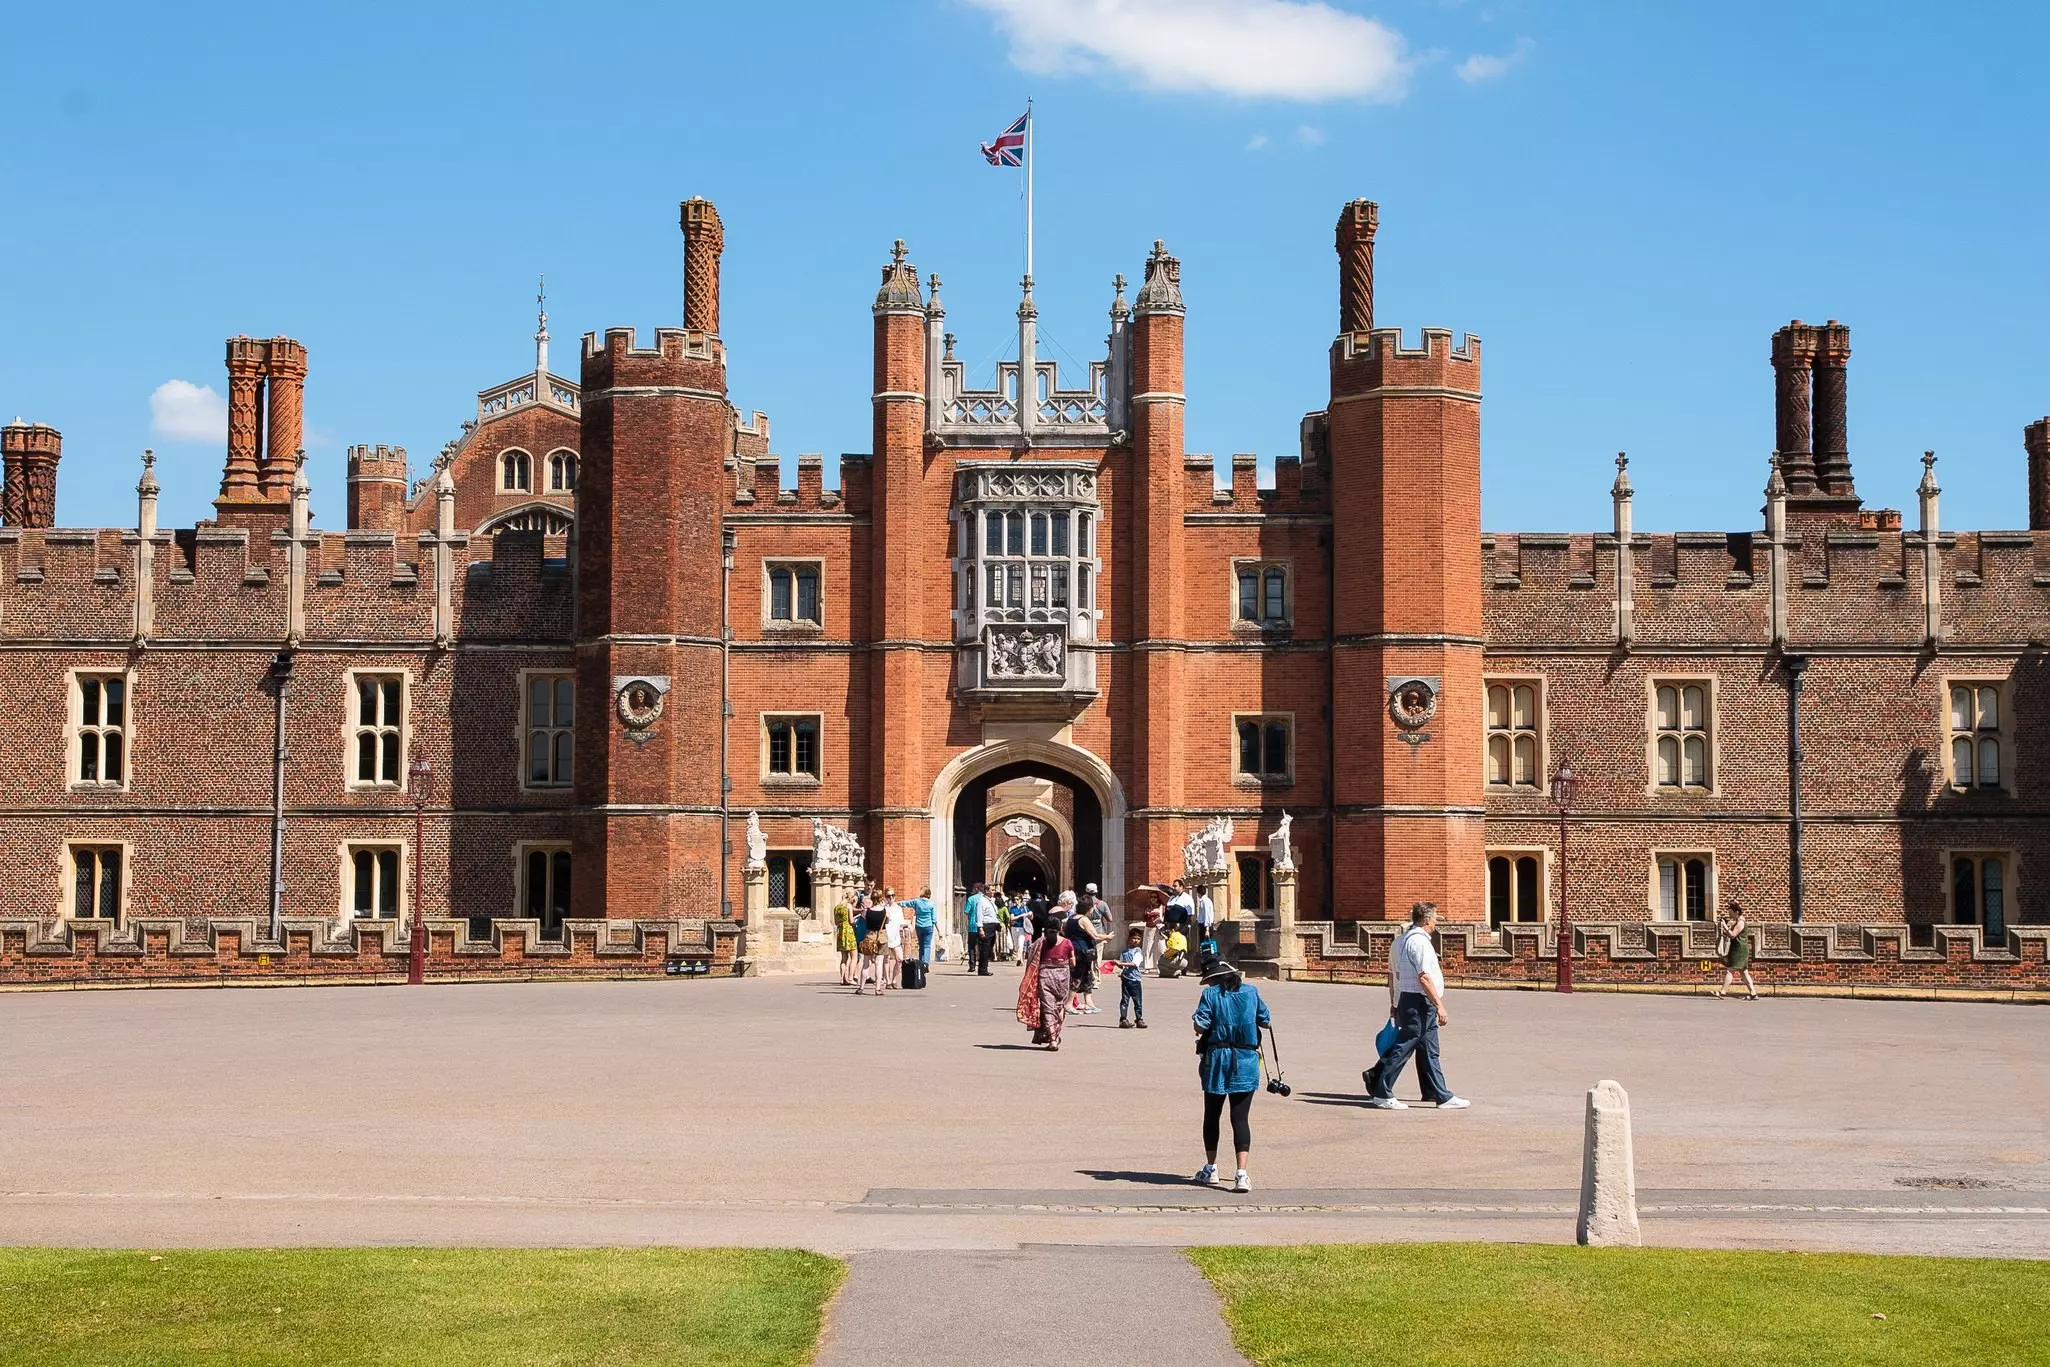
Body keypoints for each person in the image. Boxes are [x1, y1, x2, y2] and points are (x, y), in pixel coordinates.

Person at [1366, 902, 1469, 1110]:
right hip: (1419, 1001)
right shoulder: (1419, 943)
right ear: (1428, 920)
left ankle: (1442, 1095)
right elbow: (1424, 977)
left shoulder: (1406, 940)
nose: (1436, 922)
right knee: (1404, 1046)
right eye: (1436, 918)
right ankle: (1382, 1091)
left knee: (1430, 1050)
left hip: (1414, 1000)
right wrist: (1439, 1005)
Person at [1192, 953, 1270, 1193]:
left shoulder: (1210, 995)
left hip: (1217, 1059)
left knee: (1212, 1114)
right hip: (1246, 1059)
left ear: (1213, 978)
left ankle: (1211, 1168)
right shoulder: (1251, 992)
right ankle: (1242, 1174)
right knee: (1240, 1118)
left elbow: (1200, 1025)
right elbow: (1265, 1020)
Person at [1016, 912, 1075, 1049]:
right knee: (1059, 1006)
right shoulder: (1067, 943)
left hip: (1045, 977)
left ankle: (1053, 1039)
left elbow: (1029, 955)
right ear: (1060, 928)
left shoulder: (1040, 942)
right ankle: (1055, 1034)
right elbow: (1073, 963)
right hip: (1063, 978)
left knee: (1048, 1008)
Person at [1062, 892, 1105, 1013]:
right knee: (1077, 977)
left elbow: (1063, 930)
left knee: (1087, 976)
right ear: (1089, 908)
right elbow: (1095, 935)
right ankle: (1069, 1003)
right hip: (1082, 951)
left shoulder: (1070, 918)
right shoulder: (1084, 919)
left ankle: (1089, 1003)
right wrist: (1107, 937)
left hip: (1074, 950)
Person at [1716, 901, 1757, 1001]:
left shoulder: (1741, 923)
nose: (1730, 915)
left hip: (1739, 950)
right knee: (1744, 972)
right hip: (1739, 949)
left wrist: (1724, 926)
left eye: (1731, 913)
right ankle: (1753, 993)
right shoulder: (1738, 922)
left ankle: (1723, 992)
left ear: (1737, 913)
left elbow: (1733, 935)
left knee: (1730, 970)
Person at [858, 895, 889, 997]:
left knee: (866, 963)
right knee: (879, 963)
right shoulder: (885, 911)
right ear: (880, 899)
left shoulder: (867, 911)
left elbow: (863, 918)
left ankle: (861, 987)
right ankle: (878, 988)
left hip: (869, 936)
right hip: (882, 937)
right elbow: (887, 921)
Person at [1115, 927, 1147, 1029]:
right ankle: (1123, 1019)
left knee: (1137, 1001)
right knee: (1124, 1000)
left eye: (1138, 939)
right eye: (1134, 938)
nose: (1136, 940)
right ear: (1129, 938)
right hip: (1125, 979)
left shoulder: (1138, 951)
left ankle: (1139, 1019)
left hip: (1135, 980)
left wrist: (1121, 963)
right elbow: (1122, 965)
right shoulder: (1124, 952)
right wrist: (1117, 964)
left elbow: (1134, 964)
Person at [962, 881, 992, 974]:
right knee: (983, 947)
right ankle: (983, 965)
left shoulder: (971, 899)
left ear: (976, 889)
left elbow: (966, 911)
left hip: (972, 926)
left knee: (971, 946)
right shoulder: (985, 899)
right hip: (983, 926)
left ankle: (972, 965)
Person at [881, 889, 906, 991]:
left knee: (899, 959)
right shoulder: (884, 908)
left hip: (896, 937)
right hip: (886, 936)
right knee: (886, 959)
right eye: (888, 896)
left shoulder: (899, 909)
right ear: (885, 897)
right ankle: (888, 981)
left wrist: (906, 927)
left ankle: (894, 979)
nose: (891, 898)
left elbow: (901, 922)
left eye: (892, 895)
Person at [833, 898, 857, 986]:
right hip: (848, 931)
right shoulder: (848, 906)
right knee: (854, 956)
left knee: (844, 958)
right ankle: (850, 978)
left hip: (840, 932)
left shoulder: (836, 907)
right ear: (850, 899)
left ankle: (842, 979)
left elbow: (835, 922)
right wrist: (855, 924)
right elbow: (851, 920)